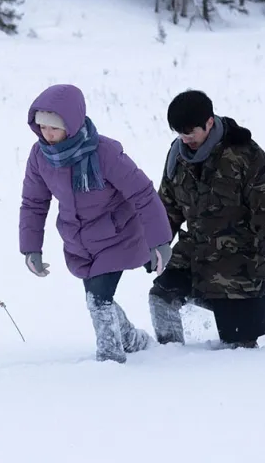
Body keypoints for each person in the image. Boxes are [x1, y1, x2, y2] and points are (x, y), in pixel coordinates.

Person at [19, 83, 174, 363]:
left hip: (120, 235)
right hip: (79, 240)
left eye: (54, 127)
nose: (48, 134)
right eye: (42, 127)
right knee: (97, 298)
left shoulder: (105, 152)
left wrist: (160, 242)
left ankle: (110, 357)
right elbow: (34, 203)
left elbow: (143, 194)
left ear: (73, 123)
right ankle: (131, 338)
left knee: (98, 300)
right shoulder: (40, 157)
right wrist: (32, 248)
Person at [148, 90, 265, 349]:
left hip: (239, 266)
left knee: (239, 345)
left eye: (190, 132)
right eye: (179, 133)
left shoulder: (246, 156)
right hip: (195, 253)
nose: (184, 139)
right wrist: (156, 245)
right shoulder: (177, 156)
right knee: (161, 298)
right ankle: (170, 357)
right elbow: (167, 206)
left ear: (209, 122)